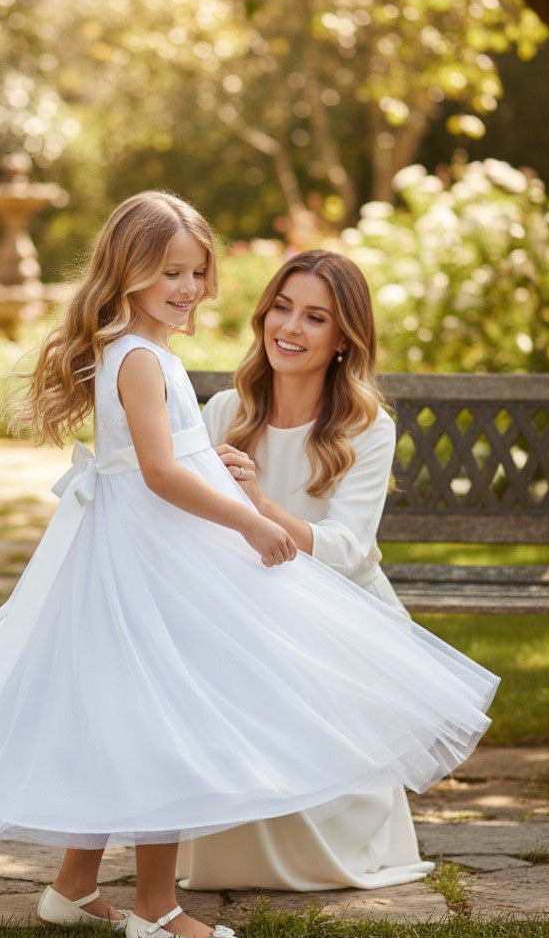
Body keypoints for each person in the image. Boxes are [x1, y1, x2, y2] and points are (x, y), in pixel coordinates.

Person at [0, 191, 498, 938]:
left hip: (152, 550)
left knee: (125, 709)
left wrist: (250, 510)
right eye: (171, 272)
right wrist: (251, 520)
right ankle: (157, 907)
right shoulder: (142, 358)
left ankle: (73, 886)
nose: (190, 288)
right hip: (150, 556)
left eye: (198, 272)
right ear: (129, 272)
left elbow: (175, 473)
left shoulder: (145, 355)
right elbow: (162, 472)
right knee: (161, 720)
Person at [177, 250, 434, 892]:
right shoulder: (224, 412)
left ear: (344, 339)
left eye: (315, 317)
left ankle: (326, 843)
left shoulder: (365, 427)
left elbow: (348, 550)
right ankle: (223, 846)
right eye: (282, 308)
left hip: (337, 604)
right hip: (245, 594)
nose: (289, 329)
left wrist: (262, 505)